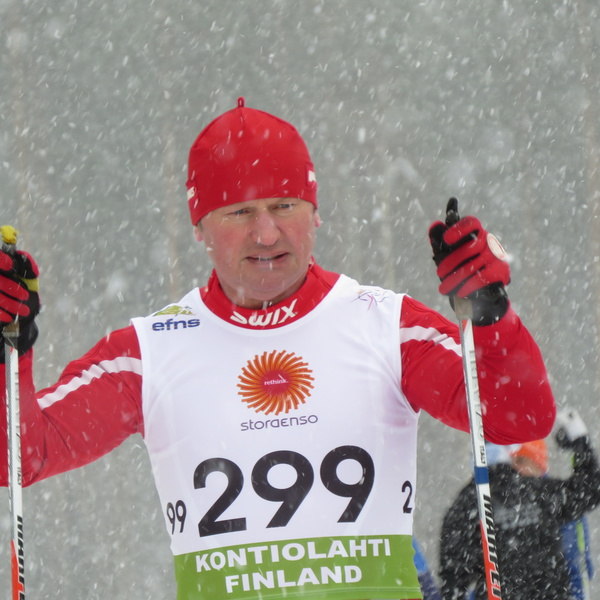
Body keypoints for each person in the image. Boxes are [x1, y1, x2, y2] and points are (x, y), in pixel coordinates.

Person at [0, 97, 555, 600]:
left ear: (315, 212)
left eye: (284, 205)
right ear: (200, 227)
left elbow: (520, 417)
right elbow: (19, 456)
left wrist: (491, 317)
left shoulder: (387, 325)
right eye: (239, 212)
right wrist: (9, 349)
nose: (266, 234)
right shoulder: (149, 352)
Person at [439, 408, 600, 600]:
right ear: (511, 453)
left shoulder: (466, 503)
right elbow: (590, 490)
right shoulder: (537, 490)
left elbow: (453, 581)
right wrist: (580, 444)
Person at [510, 437, 595, 600]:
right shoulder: (503, 499)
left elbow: (578, 565)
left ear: (538, 465)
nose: (516, 469)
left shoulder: (559, 499)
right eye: (513, 462)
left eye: (522, 461)